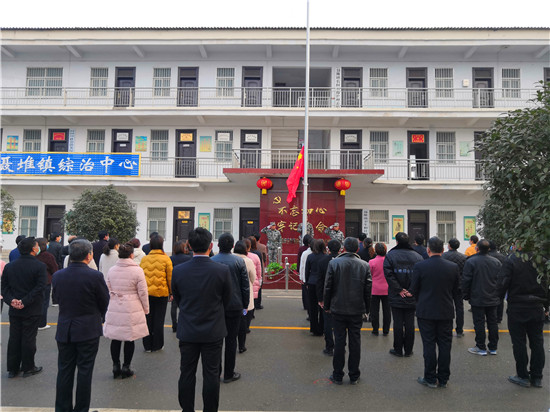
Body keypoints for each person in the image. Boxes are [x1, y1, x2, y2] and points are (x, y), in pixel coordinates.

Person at [172, 227, 232, 412]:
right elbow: (227, 300)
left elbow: (178, 298)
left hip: (188, 329)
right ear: (211, 246)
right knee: (212, 374)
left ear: (189, 246)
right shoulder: (222, 271)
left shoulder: (178, 270)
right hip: (213, 330)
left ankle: (187, 409)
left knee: (186, 373)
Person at [52, 239, 109, 412]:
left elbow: (56, 298)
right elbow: (104, 302)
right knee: (85, 371)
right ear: (89, 255)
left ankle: (62, 408)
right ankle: (81, 409)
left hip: (65, 328)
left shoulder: (58, 275)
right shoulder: (95, 276)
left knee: (64, 370)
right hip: (88, 329)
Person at [409, 236, 460, 389]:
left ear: (428, 250)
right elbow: (456, 291)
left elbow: (413, 289)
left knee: (429, 345)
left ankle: (430, 377)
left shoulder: (420, 266)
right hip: (446, 310)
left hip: (426, 311)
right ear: (443, 250)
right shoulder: (453, 267)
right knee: (445, 345)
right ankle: (443, 378)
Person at [323, 237, 372, 385]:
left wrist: (327, 306)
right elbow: (368, 290)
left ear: (343, 248)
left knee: (339, 341)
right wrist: (367, 309)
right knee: (355, 342)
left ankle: (337, 374)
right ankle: (354, 374)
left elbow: (328, 287)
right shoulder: (364, 265)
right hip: (357, 309)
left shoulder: (334, 263)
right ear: (357, 249)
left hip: (338, 308)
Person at [498, 250, 550, 388]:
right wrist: (546, 306)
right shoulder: (542, 259)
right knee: (537, 342)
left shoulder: (512, 259)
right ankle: (537, 377)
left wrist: (498, 299)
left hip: (517, 306)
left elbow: (503, 283)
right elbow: (547, 285)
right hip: (537, 306)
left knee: (519, 343)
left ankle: (522, 375)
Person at [1, 236, 47, 378]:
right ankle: (28, 367)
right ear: (33, 249)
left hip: (14, 308)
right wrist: (24, 301)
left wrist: (12, 301)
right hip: (32, 308)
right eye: (36, 246)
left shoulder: (10, 266)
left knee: (14, 337)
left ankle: (13, 368)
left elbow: (4, 288)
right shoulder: (39, 266)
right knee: (29, 338)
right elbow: (40, 287)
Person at [103, 243, 149, 379]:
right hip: (131, 306)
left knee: (115, 338)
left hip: (115, 305)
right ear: (131, 255)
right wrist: (146, 308)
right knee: (130, 338)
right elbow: (143, 292)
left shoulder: (112, 270)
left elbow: (108, 287)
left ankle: (115, 365)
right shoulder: (137, 271)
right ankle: (126, 366)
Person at [211, 233, 250, 383]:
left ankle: (216, 372)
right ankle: (228, 373)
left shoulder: (212, 261)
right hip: (235, 305)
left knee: (216, 341)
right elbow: (245, 286)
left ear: (218, 245)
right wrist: (245, 305)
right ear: (233, 246)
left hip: (216, 306)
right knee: (231, 340)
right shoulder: (239, 262)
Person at [384, 232, 423, 357]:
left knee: (398, 323)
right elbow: (420, 277)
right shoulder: (418, 257)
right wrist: (411, 290)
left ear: (397, 242)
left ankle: (398, 349)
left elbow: (389, 275)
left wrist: (399, 290)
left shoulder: (390, 255)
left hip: (396, 295)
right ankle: (408, 350)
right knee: (410, 323)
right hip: (412, 295)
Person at [462, 239, 502, 356]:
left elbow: (466, 280)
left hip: (477, 297)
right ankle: (493, 347)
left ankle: (481, 347)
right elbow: (500, 280)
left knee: (479, 323)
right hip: (493, 297)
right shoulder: (496, 262)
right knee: (492, 322)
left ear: (477, 248)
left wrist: (466, 295)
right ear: (489, 249)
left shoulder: (471, 261)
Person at [140, 234, 173, 352]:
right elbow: (170, 278)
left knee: (147, 319)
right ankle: (157, 344)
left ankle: (147, 345)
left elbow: (140, 277)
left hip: (147, 293)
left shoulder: (144, 259)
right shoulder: (166, 259)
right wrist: (171, 292)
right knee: (159, 319)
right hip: (161, 293)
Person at [317, 239, 341, 356]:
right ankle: (340, 346)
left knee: (327, 322)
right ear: (340, 249)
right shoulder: (343, 260)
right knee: (340, 323)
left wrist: (320, 298)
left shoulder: (322, 261)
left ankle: (329, 347)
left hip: (327, 295)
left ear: (328, 249)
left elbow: (320, 281)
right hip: (341, 295)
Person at [233, 240, 256, 353]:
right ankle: (241, 345)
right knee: (243, 320)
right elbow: (253, 278)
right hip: (245, 295)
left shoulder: (231, 259)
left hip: (232, 295)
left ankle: (232, 342)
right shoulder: (248, 261)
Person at [442, 238, 468, 337]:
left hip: (445, 285)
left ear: (449, 246)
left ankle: (446, 329)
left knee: (445, 307)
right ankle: (459, 330)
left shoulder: (443, 256)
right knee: (459, 308)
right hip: (459, 286)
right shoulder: (464, 257)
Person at [305, 239, 330, 336]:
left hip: (312, 282)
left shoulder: (310, 256)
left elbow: (307, 271)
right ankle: (322, 327)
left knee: (312, 307)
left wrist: (307, 282)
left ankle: (314, 328)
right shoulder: (326, 257)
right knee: (323, 306)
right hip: (323, 283)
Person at [35, 237, 58, 331]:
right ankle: (42, 323)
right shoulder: (48, 256)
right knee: (44, 303)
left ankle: (34, 322)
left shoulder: (33, 255)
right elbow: (54, 269)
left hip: (33, 281)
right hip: (45, 282)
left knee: (34, 302)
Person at [170, 240, 193, 332]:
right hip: (186, 284)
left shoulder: (171, 258)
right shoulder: (189, 258)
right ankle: (184, 324)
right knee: (185, 306)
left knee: (174, 306)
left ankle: (174, 325)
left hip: (175, 283)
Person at [369, 243, 391, 336]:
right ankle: (386, 330)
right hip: (387, 289)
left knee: (374, 310)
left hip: (375, 289)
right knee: (387, 311)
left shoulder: (371, 262)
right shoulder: (389, 261)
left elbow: (369, 275)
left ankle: (375, 329)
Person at [488, 241, 507, 323]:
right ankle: (499, 317)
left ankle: (491, 317)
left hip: (490, 281)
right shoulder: (503, 257)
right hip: (501, 281)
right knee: (500, 300)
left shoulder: (487, 257)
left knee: (490, 300)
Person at [243, 238, 261, 320]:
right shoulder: (254, 257)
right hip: (252, 282)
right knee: (250, 302)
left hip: (242, 284)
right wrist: (259, 280)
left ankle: (244, 315)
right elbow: (258, 271)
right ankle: (249, 315)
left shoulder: (235, 257)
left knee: (244, 303)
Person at [297, 234, 313, 311]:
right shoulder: (314, 250)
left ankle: (306, 305)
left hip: (304, 272)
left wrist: (299, 273)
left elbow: (300, 262)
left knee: (305, 290)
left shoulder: (302, 249)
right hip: (312, 273)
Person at [249, 235, 265, 309]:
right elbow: (259, 266)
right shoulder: (257, 253)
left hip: (247, 275)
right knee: (257, 289)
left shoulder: (245, 253)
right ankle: (257, 305)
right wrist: (260, 277)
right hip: (255, 274)